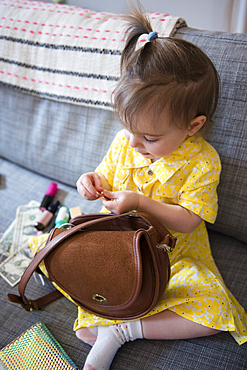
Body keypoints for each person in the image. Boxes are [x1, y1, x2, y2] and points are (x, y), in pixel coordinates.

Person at [76, 3, 246, 370]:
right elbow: (105, 175)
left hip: (177, 253)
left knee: (214, 311)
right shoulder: (127, 142)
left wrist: (140, 201)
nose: (135, 144)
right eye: (130, 130)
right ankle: (113, 314)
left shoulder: (203, 161)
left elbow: (188, 221)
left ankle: (124, 331)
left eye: (149, 138)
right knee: (83, 268)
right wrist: (90, 182)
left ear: (193, 126)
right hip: (122, 243)